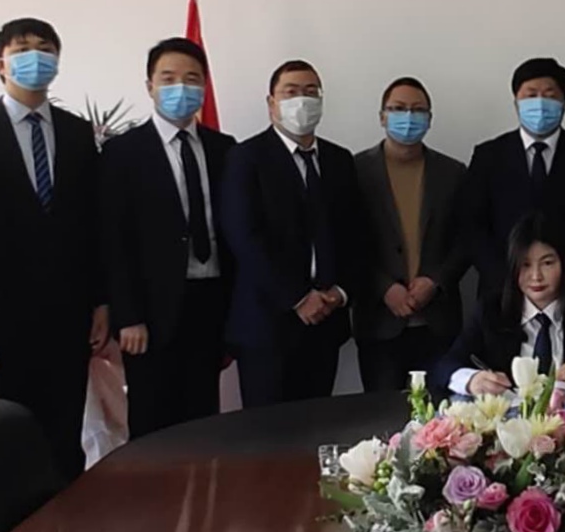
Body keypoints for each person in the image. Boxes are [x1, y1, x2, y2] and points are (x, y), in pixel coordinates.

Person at [0, 17, 101, 476]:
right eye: (23, 48)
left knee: (65, 436)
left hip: (68, 314)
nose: (36, 56)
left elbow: (93, 223)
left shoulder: (77, 132)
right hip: (2, 318)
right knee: (6, 439)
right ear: (0, 64)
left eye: (45, 48)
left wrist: (101, 300)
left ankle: (67, 516)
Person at [99, 38, 237, 437]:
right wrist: (129, 316)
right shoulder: (122, 152)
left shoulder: (224, 148)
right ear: (150, 86)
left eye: (192, 79)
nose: (181, 88)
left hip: (211, 302)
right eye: (169, 78)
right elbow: (114, 240)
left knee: (204, 417)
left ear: (205, 86)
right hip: (150, 313)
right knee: (153, 421)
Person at [223, 59, 370, 405]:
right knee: (268, 430)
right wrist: (299, 297)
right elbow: (244, 236)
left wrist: (340, 292)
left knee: (317, 424)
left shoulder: (339, 159)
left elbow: (355, 233)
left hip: (326, 322)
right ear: (271, 103)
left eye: (310, 92)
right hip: (267, 325)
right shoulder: (245, 157)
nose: (301, 100)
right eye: (290, 92)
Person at [431, 213, 565, 396]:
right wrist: (472, 380)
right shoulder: (491, 310)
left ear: (564, 263)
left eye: (547, 263)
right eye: (525, 265)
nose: (536, 276)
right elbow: (445, 366)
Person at [352, 77, 469, 392]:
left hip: (438, 321)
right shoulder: (355, 170)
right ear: (382, 116)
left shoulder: (453, 172)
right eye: (398, 108)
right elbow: (349, 242)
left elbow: (465, 239)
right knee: (381, 414)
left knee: (442, 416)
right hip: (379, 320)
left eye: (418, 110)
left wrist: (435, 280)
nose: (408, 117)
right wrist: (384, 287)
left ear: (429, 119)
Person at [459, 57, 565, 300]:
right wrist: (507, 280)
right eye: (530, 95)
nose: (540, 103)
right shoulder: (488, 155)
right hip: (501, 293)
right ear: (516, 102)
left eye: (550, 95)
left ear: (564, 102)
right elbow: (473, 226)